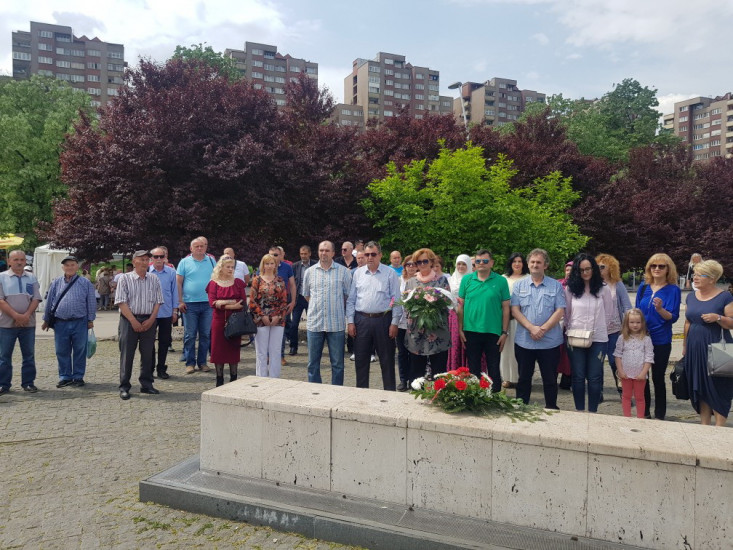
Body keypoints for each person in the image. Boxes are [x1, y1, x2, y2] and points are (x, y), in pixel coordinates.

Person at [511, 249, 565, 409]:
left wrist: (542, 329)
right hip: (524, 341)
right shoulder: (519, 285)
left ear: (545, 265)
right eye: (532, 262)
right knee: (523, 379)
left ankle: (551, 408)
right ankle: (521, 408)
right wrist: (531, 328)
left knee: (549, 379)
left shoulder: (555, 286)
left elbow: (560, 310)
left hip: (549, 342)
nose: (535, 265)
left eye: (539, 262)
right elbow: (515, 310)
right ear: (528, 264)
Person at [346, 241, 402, 390]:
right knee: (361, 361)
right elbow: (351, 299)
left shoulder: (389, 273)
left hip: (383, 321)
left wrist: (394, 322)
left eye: (373, 254)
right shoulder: (358, 273)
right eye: (367, 254)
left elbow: (396, 300)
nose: (370, 257)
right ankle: (362, 394)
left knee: (387, 360)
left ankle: (389, 393)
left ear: (380, 255)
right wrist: (350, 322)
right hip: (361, 320)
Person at [683, 260, 733, 426]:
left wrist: (717, 317)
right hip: (695, 347)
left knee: (718, 388)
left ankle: (719, 427)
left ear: (712, 279)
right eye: (694, 274)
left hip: (718, 348)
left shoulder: (725, 296)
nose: (695, 278)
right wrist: (685, 346)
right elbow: (688, 322)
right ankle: (704, 426)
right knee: (700, 387)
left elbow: (731, 322)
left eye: (700, 275)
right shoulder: (691, 296)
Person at [564, 253, 613, 413]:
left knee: (594, 377)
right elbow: (567, 313)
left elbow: (608, 314)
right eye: (581, 270)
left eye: (588, 269)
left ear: (593, 269)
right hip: (576, 337)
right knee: (577, 376)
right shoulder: (570, 289)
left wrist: (597, 329)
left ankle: (593, 411)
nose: (585, 273)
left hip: (598, 338)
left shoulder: (603, 289)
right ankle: (579, 410)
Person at [457, 249, 509, 393]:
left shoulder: (501, 281)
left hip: (493, 331)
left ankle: (495, 397)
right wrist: (460, 329)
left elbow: (506, 308)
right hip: (470, 331)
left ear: (491, 263)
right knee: (473, 368)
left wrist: (505, 332)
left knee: (493, 367)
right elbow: (460, 307)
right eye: (478, 261)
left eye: (485, 261)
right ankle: (476, 397)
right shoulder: (466, 280)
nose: (481, 264)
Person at [635, 253, 680, 420]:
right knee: (642, 377)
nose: (657, 269)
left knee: (657, 377)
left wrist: (660, 309)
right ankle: (644, 412)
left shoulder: (673, 289)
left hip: (661, 339)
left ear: (668, 269)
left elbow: (673, 317)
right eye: (653, 266)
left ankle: (660, 414)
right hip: (642, 339)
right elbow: (637, 311)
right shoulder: (644, 287)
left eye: (661, 266)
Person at [115, 250, 164, 400]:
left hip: (149, 320)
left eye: (146, 259)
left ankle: (147, 384)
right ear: (134, 261)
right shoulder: (125, 278)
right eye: (141, 259)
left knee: (148, 354)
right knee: (127, 355)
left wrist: (151, 320)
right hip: (129, 321)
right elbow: (121, 302)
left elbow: (158, 301)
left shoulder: (154, 278)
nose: (144, 262)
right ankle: (124, 386)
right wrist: (133, 321)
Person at [42, 255, 96, 388]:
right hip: (60, 322)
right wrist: (46, 319)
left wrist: (90, 319)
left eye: (72, 265)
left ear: (77, 266)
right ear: (62, 267)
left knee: (79, 350)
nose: (69, 267)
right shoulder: (56, 282)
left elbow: (91, 302)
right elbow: (49, 302)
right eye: (67, 265)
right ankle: (65, 376)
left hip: (80, 321)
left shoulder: (85, 283)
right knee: (61, 350)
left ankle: (78, 376)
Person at [302, 241, 352, 385]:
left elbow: (348, 295)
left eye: (327, 250)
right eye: (321, 250)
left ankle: (336, 392)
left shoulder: (343, 272)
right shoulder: (309, 272)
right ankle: (315, 392)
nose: (324, 253)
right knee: (312, 363)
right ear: (318, 252)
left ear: (333, 253)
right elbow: (306, 295)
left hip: (336, 324)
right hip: (315, 323)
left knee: (337, 364)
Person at [404, 248, 452, 384]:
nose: (422, 264)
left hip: (437, 332)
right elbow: (406, 306)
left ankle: (438, 399)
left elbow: (448, 305)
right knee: (416, 373)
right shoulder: (411, 282)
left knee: (439, 374)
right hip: (416, 333)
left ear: (431, 262)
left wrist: (431, 309)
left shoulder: (442, 281)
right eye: (418, 262)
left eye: (425, 261)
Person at [0, 250, 42, 394]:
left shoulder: (32, 277)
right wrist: (16, 316)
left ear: (25, 262)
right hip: (6, 324)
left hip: (28, 324)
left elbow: (36, 298)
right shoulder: (1, 277)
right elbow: (0, 300)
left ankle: (28, 383)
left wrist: (26, 315)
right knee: (4, 356)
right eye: (16, 259)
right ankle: (3, 384)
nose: (19, 262)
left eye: (22, 260)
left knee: (29, 355)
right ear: (9, 262)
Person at [207, 256, 247, 387]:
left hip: (235, 321)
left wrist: (223, 302)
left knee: (233, 350)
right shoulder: (213, 283)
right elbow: (212, 303)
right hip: (219, 321)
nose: (230, 269)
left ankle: (234, 379)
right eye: (228, 267)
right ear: (221, 268)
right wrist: (231, 303)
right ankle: (219, 381)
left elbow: (242, 302)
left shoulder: (238, 283)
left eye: (232, 267)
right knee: (218, 351)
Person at [177, 237, 215, 374]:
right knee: (190, 335)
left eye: (202, 246)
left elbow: (216, 280)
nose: (199, 248)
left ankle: (202, 362)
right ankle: (190, 363)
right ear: (191, 248)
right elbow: (178, 282)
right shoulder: (184, 262)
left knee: (205, 334)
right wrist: (180, 301)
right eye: (196, 246)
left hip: (207, 304)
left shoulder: (211, 261)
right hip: (189, 304)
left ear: (205, 247)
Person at [596, 253, 633, 395]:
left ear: (610, 268)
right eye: (597, 266)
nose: (599, 269)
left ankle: (622, 390)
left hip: (614, 330)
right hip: (597, 331)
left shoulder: (617, 284)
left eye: (602, 266)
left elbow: (626, 306)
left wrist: (628, 326)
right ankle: (597, 392)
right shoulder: (592, 284)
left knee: (614, 361)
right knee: (597, 363)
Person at [250, 254, 289, 378]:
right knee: (261, 352)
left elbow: (284, 301)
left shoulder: (280, 281)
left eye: (271, 263)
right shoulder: (257, 280)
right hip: (261, 319)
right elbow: (252, 301)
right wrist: (262, 316)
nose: (269, 266)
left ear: (275, 265)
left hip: (278, 319)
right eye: (267, 263)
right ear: (263, 265)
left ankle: (274, 378)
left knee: (275, 351)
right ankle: (261, 378)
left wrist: (278, 316)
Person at [614, 309, 654, 418]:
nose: (635, 325)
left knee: (640, 397)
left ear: (642, 323)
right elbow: (617, 355)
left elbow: (649, 358)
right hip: (625, 374)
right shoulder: (622, 338)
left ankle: (640, 418)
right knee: (626, 396)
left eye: (638, 322)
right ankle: (627, 417)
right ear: (626, 323)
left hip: (640, 374)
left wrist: (643, 373)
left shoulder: (646, 339)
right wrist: (620, 371)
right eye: (632, 322)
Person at [148, 246, 178, 379]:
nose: (159, 259)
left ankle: (161, 368)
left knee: (164, 342)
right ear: (151, 258)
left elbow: (174, 292)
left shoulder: (171, 272)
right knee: (149, 343)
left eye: (161, 256)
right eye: (156, 257)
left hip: (166, 312)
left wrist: (175, 311)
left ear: (165, 258)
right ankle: (149, 369)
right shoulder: (147, 271)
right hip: (149, 313)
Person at [501, 252, 529, 389]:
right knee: (506, 349)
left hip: (523, 319)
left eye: (520, 261)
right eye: (514, 261)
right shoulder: (503, 279)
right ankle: (507, 378)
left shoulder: (528, 278)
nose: (517, 264)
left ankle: (520, 377)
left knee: (520, 350)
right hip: (507, 319)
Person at [268, 246, 296, 367]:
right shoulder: (264, 266)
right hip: (267, 304)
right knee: (267, 330)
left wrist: (293, 301)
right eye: (271, 254)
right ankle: (268, 355)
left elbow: (293, 285)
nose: (273, 257)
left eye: (275, 255)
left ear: (281, 255)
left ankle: (281, 356)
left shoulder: (287, 267)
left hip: (283, 303)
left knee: (281, 330)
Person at [288, 245, 317, 356]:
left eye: (305, 253)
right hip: (299, 298)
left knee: (313, 324)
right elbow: (292, 283)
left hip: (311, 298)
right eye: (301, 254)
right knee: (294, 324)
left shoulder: (315, 265)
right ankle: (293, 347)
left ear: (309, 253)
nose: (303, 256)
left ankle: (313, 348)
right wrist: (293, 299)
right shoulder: (295, 266)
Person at [447, 254, 473, 371]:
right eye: (459, 264)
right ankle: (454, 372)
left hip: (469, 315)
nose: (461, 266)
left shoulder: (473, 279)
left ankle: (468, 372)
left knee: (467, 342)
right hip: (453, 315)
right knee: (455, 343)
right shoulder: (450, 279)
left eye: (464, 264)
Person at [396, 255, 416, 391]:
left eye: (413, 264)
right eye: (408, 264)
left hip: (416, 322)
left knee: (414, 352)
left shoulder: (420, 280)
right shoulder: (398, 280)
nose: (410, 267)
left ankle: (414, 380)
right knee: (402, 352)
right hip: (401, 321)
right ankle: (403, 379)